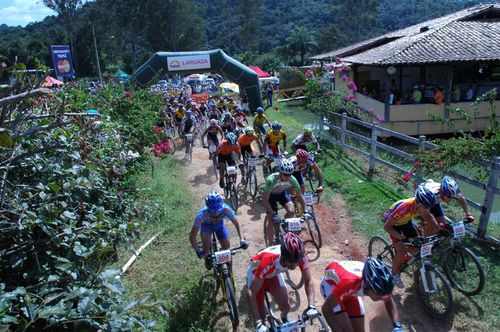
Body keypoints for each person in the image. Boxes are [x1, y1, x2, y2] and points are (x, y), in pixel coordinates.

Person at [247, 232, 317, 330]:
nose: (295, 265)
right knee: (261, 317)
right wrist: (258, 322)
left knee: (286, 306)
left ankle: (284, 317)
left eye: (297, 261)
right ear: (283, 256)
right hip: (256, 274)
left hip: (273, 274)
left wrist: (312, 305)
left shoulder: (300, 256)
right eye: (291, 262)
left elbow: (308, 280)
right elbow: (251, 292)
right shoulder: (269, 260)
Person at [320, 258, 402, 332]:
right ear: (368, 286)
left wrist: (397, 326)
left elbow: (389, 302)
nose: (382, 298)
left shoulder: (380, 288)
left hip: (349, 291)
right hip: (330, 285)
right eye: (379, 295)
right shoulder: (350, 282)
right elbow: (326, 309)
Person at [382, 185, 439, 288]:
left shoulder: (422, 207)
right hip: (393, 224)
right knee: (401, 250)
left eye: (429, 207)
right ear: (418, 204)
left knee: (417, 245)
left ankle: (402, 260)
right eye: (426, 207)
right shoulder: (405, 207)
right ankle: (394, 274)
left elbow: (431, 220)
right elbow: (387, 227)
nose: (427, 210)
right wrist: (402, 238)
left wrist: (438, 230)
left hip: (405, 221)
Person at [189, 191, 247, 270]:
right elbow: (192, 235)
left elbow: (238, 224)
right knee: (206, 246)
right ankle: (207, 256)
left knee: (227, 249)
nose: (215, 212)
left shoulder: (225, 208)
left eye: (218, 209)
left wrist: (242, 240)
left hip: (219, 225)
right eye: (212, 210)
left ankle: (230, 273)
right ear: (208, 207)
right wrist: (197, 251)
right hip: (207, 226)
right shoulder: (201, 215)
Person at [262, 160, 306, 245]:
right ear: (280, 172)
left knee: (291, 211)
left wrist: (305, 211)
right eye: (285, 175)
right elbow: (265, 200)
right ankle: (270, 246)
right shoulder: (271, 180)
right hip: (270, 197)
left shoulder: (292, 180)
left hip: (282, 194)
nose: (287, 177)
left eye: (289, 174)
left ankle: (282, 226)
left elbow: (300, 196)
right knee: (271, 220)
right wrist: (273, 214)